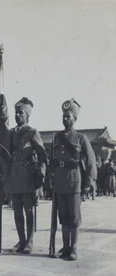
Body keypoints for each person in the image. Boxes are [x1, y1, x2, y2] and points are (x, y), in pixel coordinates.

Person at [50, 98, 97, 260]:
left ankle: (74, 249)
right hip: (60, 182)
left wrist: (88, 182)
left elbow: (91, 161)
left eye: (68, 116)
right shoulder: (57, 137)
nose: (65, 119)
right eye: (64, 116)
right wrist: (52, 178)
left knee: (74, 217)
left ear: (75, 119)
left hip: (75, 182)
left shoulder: (81, 138)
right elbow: (52, 161)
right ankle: (65, 247)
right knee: (63, 217)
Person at [7, 97, 47, 254]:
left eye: (21, 113)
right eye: (16, 113)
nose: (17, 116)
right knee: (17, 211)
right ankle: (21, 240)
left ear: (27, 116)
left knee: (29, 211)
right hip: (13, 177)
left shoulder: (32, 132)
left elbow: (42, 156)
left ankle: (29, 242)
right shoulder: (10, 134)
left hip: (27, 177)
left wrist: (40, 174)